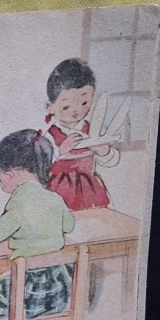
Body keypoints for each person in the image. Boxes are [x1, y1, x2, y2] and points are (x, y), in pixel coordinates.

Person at [0, 129, 76, 320]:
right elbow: (69, 226)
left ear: (11, 174)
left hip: (27, 293)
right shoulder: (55, 198)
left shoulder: (19, 202)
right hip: (58, 290)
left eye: (0, 177)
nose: (1, 183)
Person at [42, 58, 119, 210]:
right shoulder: (50, 136)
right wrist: (60, 150)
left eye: (84, 103)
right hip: (59, 190)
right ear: (49, 106)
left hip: (91, 189)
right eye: (66, 106)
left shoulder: (94, 129)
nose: (76, 111)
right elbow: (40, 165)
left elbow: (111, 161)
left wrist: (105, 152)